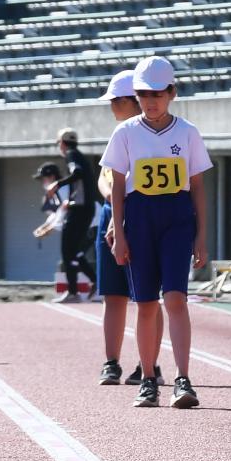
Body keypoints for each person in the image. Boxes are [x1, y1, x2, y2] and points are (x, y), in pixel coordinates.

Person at [102, 56, 211, 409]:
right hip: (140, 217)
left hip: (178, 218)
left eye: (158, 94)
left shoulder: (188, 132)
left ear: (172, 93)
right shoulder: (126, 132)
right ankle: (148, 379)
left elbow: (197, 187)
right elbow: (118, 186)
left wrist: (202, 234)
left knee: (175, 298)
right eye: (143, 94)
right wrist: (119, 233)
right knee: (146, 304)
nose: (151, 101)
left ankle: (183, 378)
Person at [91, 71, 143, 386]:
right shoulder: (117, 133)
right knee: (113, 294)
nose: (111, 107)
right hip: (110, 214)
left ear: (127, 100)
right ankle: (111, 362)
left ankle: (147, 364)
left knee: (145, 296)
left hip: (138, 215)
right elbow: (104, 176)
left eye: (113, 101)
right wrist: (111, 197)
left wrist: (121, 202)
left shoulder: (148, 134)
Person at [54, 128, 97, 304]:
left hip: (79, 210)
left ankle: (73, 292)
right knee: (75, 251)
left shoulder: (71, 155)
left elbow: (76, 172)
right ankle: (94, 281)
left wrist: (57, 184)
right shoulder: (79, 154)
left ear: (62, 144)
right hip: (85, 209)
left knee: (67, 249)